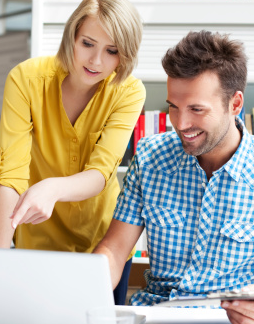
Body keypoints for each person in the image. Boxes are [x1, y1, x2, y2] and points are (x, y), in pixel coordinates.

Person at [94, 30, 254, 322]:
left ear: (235, 104)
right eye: (173, 107)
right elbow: (115, 251)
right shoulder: (151, 156)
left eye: (196, 109)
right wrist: (85, 288)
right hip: (155, 315)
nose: (181, 124)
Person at [0, 0, 146, 305]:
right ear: (72, 36)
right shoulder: (25, 80)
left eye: (112, 51)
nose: (96, 60)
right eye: (88, 43)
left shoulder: (129, 91)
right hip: (36, 245)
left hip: (102, 245)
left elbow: (100, 173)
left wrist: (52, 187)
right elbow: (11, 174)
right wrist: (3, 257)